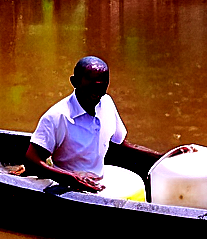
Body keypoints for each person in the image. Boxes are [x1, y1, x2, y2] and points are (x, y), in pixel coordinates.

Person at [26, 56, 155, 191]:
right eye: (92, 86)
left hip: (99, 182)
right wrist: (71, 178)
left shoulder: (106, 103)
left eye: (103, 87)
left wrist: (161, 157)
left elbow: (119, 145)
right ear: (74, 82)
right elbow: (31, 161)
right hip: (66, 188)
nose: (98, 93)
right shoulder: (57, 117)